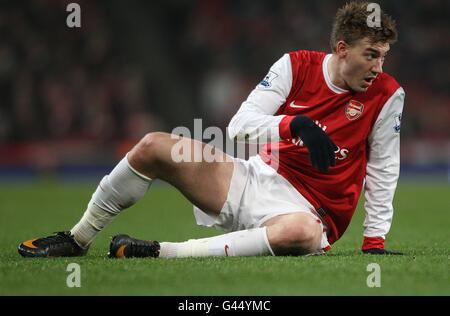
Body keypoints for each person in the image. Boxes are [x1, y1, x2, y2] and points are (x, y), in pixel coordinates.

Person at [18, 1, 404, 259]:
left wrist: (374, 241)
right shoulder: (296, 66)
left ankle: (159, 252)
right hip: (256, 180)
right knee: (153, 145)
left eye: (383, 57)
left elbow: (383, 168)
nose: (378, 68)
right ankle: (78, 238)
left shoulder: (387, 95)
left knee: (300, 232)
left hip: (312, 213)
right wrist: (295, 125)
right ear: (341, 49)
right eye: (370, 55)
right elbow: (239, 128)